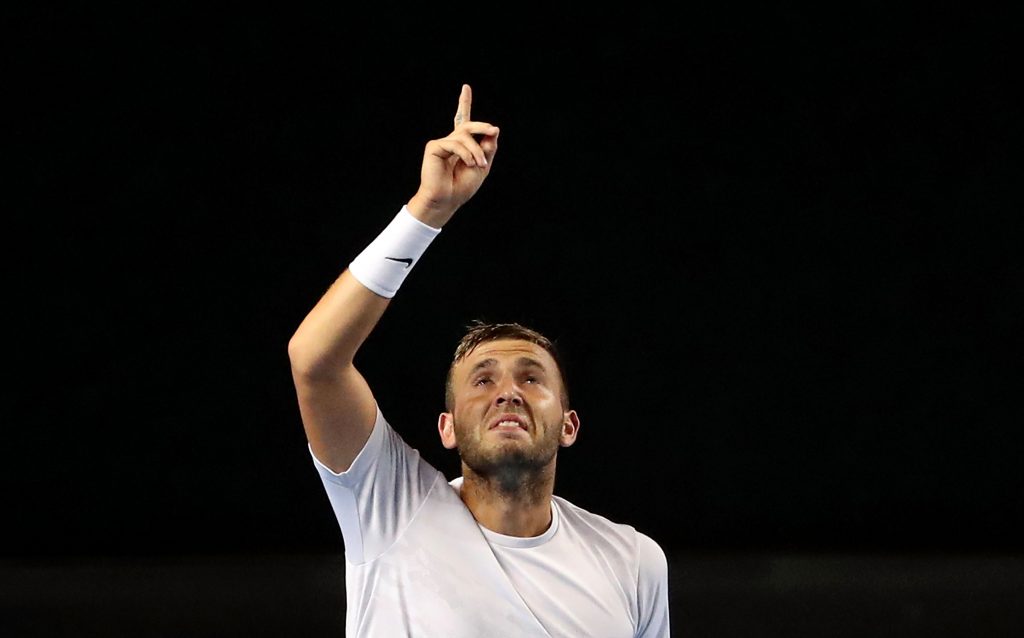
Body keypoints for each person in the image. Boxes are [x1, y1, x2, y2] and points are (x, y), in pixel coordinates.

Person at [288, 84, 671, 637]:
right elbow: (314, 360)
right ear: (446, 427)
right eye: (482, 380)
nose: (507, 392)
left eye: (531, 377)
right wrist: (429, 209)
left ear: (569, 424)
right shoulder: (390, 508)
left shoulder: (633, 562)